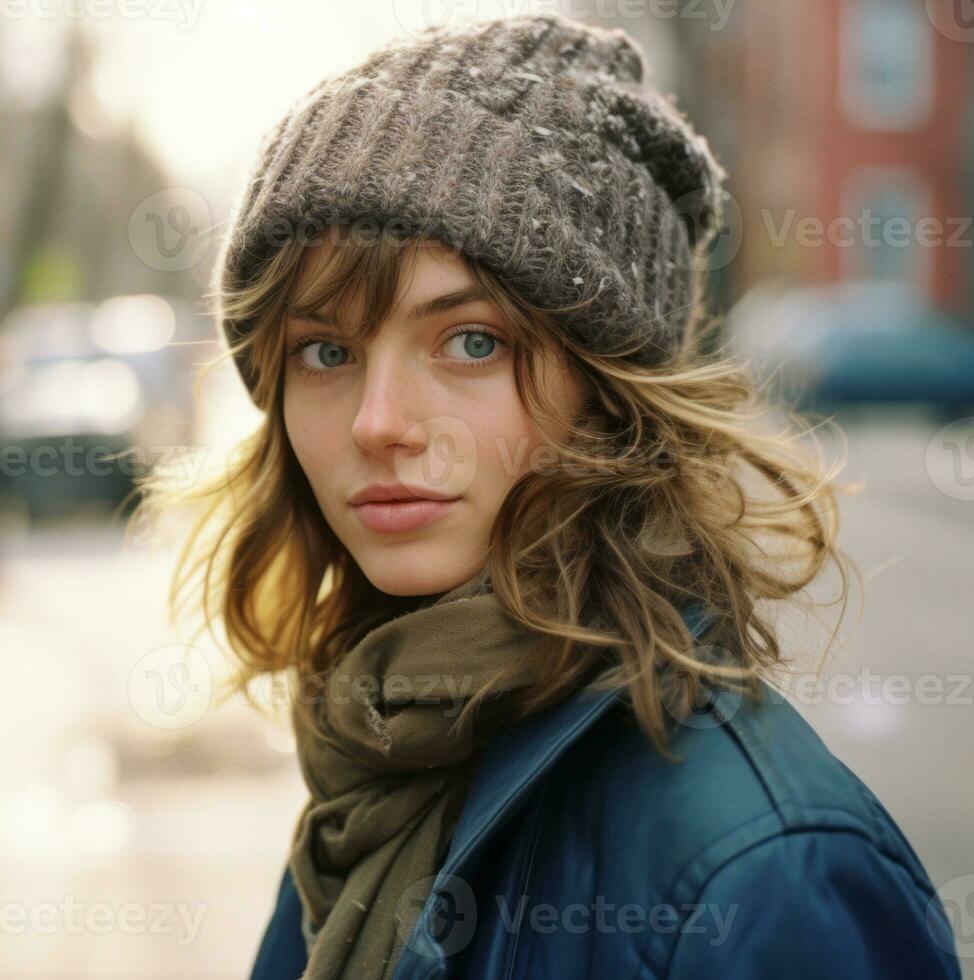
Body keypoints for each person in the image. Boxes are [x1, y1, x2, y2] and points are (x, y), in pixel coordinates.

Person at [132, 13, 963, 980]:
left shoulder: (758, 872)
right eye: (327, 351)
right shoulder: (373, 765)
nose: (378, 421)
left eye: (471, 341)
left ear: (611, 396)